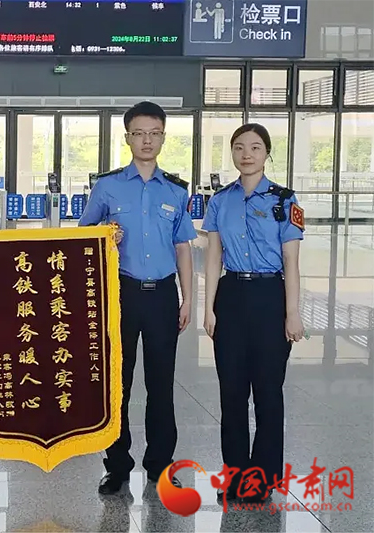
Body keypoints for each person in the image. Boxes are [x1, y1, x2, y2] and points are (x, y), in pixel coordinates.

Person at [78, 101, 197, 494]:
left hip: (162, 295)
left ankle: (160, 465)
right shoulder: (108, 186)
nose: (147, 140)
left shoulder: (176, 191)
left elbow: (183, 247)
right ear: (127, 137)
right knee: (118, 383)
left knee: (161, 386)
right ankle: (116, 465)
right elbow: (83, 236)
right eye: (139, 133)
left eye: (154, 133)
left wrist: (187, 299)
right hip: (120, 295)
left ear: (163, 137)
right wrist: (104, 237)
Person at [202, 123, 305, 503]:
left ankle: (261, 480)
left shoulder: (285, 200)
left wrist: (292, 313)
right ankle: (234, 476)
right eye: (239, 147)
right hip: (231, 296)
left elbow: (291, 262)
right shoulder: (220, 201)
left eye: (255, 147)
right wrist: (209, 308)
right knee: (231, 393)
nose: (247, 154)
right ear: (232, 153)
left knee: (267, 392)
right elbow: (214, 256)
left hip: (269, 297)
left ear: (267, 153)